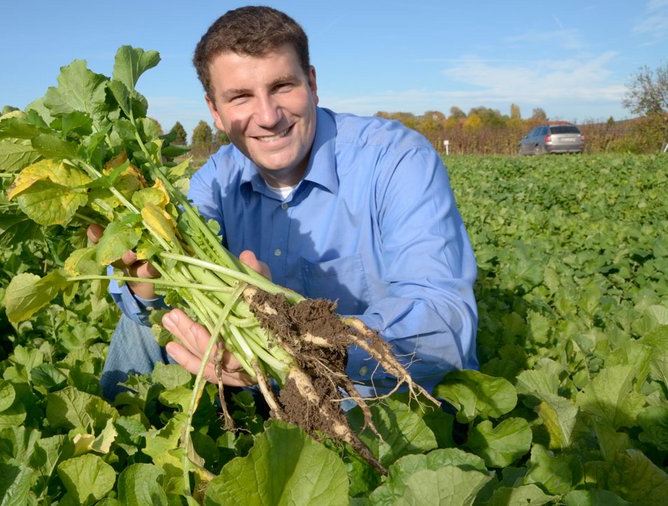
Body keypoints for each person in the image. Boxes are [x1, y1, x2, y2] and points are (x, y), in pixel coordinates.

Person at [92, 5, 478, 401]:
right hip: (263, 388)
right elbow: (173, 300)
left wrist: (301, 342)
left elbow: (444, 320)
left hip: (374, 393)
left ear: (311, 83)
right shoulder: (213, 181)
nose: (268, 116)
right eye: (240, 97)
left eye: (281, 87)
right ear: (215, 112)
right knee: (141, 321)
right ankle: (112, 442)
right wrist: (147, 285)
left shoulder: (395, 159)